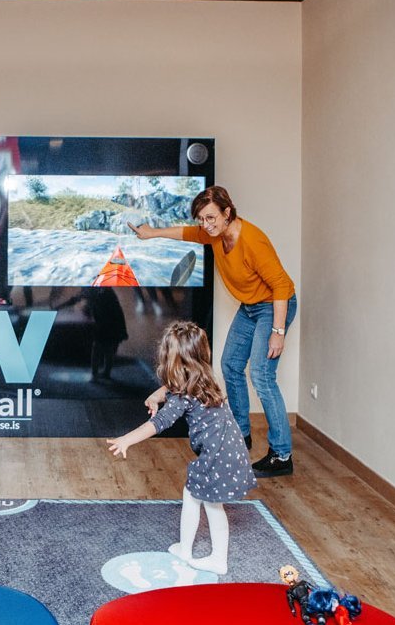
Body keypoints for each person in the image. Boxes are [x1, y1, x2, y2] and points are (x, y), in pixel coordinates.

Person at [131, 185, 298, 477]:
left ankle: (281, 455)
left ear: (227, 212)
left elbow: (281, 286)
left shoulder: (253, 241)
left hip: (274, 306)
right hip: (250, 306)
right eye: (201, 219)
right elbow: (186, 233)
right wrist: (152, 233)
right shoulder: (215, 235)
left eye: (211, 218)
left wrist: (278, 331)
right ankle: (241, 435)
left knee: (261, 376)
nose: (206, 225)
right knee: (230, 365)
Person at [107, 321, 256, 574]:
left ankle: (218, 559)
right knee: (193, 495)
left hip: (216, 457)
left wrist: (126, 440)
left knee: (212, 506)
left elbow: (159, 422)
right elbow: (172, 387)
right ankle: (185, 548)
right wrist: (156, 396)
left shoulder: (183, 394)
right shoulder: (205, 377)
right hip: (229, 449)